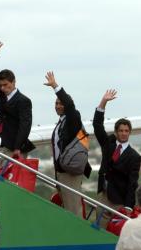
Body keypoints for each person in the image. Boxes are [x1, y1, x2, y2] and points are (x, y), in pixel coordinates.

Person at [44, 71, 91, 217]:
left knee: (73, 208)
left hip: (70, 172)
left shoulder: (73, 118)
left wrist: (55, 87)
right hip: (62, 171)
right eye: (56, 103)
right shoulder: (62, 122)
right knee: (66, 206)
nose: (58, 106)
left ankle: (77, 237)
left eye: (61, 103)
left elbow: (70, 105)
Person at [93, 89, 141, 228]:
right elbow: (97, 126)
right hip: (103, 195)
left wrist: (128, 206)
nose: (123, 133)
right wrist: (103, 102)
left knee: (116, 234)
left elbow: (133, 183)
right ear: (116, 132)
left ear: (130, 132)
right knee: (99, 230)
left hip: (119, 201)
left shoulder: (134, 157)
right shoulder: (108, 144)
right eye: (121, 130)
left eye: (126, 131)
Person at [0, 41, 35, 159]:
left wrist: (17, 148)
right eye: (1, 85)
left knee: (14, 177)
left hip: (16, 149)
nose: (2, 88)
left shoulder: (23, 101)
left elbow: (25, 125)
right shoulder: (3, 96)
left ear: (13, 82)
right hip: (5, 145)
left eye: (5, 85)